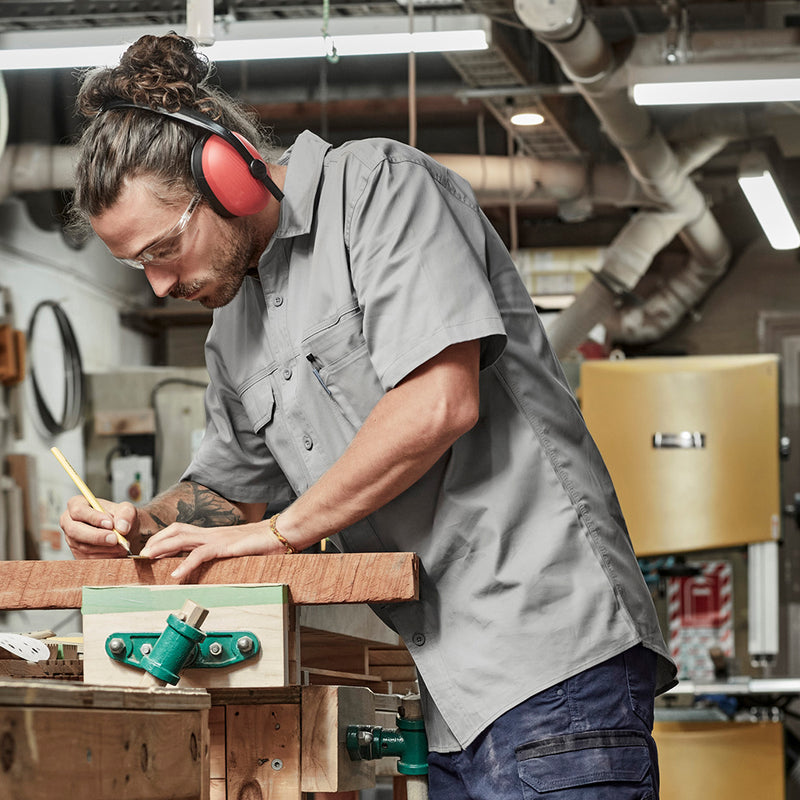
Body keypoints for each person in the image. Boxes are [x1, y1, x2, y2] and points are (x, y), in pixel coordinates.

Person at [61, 32, 676, 799]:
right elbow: (230, 497)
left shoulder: (380, 192)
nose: (156, 286)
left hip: (549, 653)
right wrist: (137, 530)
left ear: (231, 177)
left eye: (162, 249)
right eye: (136, 267)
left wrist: (283, 532)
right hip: (446, 691)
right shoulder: (234, 331)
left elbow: (439, 401)